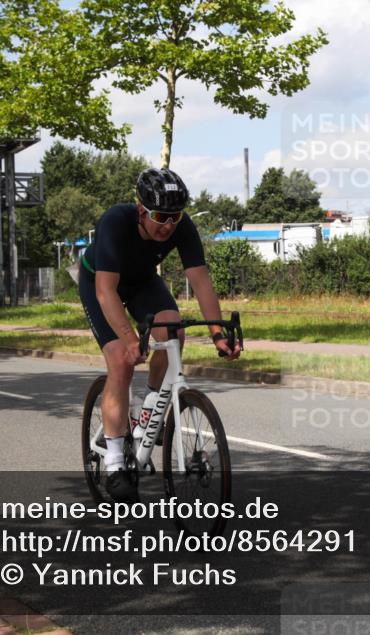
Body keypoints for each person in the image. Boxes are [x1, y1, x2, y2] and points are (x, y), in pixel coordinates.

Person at [78, 168, 241, 502]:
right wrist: (128, 338)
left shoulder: (182, 227)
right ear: (141, 209)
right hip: (102, 283)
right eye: (159, 216)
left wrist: (216, 333)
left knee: (172, 332)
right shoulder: (115, 221)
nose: (167, 224)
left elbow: (200, 281)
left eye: (174, 216)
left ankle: (150, 409)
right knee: (121, 362)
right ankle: (114, 460)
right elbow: (106, 293)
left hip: (141, 282)